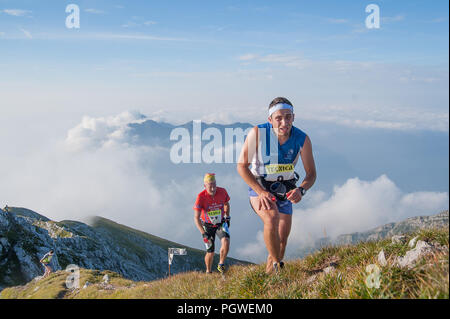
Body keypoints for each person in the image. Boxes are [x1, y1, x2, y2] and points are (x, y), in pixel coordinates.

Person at [237, 97, 316, 274]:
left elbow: (311, 173)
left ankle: (269, 275)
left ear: (293, 117)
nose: (284, 122)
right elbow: (241, 166)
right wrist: (260, 192)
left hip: (286, 189)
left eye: (288, 117)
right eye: (278, 118)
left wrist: (301, 190)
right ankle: (278, 266)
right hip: (260, 187)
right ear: (270, 120)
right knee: (271, 218)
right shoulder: (257, 133)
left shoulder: (302, 139)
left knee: (282, 240)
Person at [193, 173, 231, 274]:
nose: (213, 188)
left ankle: (221, 264)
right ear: (205, 186)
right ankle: (208, 271)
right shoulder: (200, 197)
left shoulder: (222, 191)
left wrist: (228, 217)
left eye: (214, 185)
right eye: (210, 186)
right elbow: (196, 218)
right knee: (210, 251)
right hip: (207, 226)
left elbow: (227, 204)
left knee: (226, 241)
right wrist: (203, 233)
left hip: (220, 223)